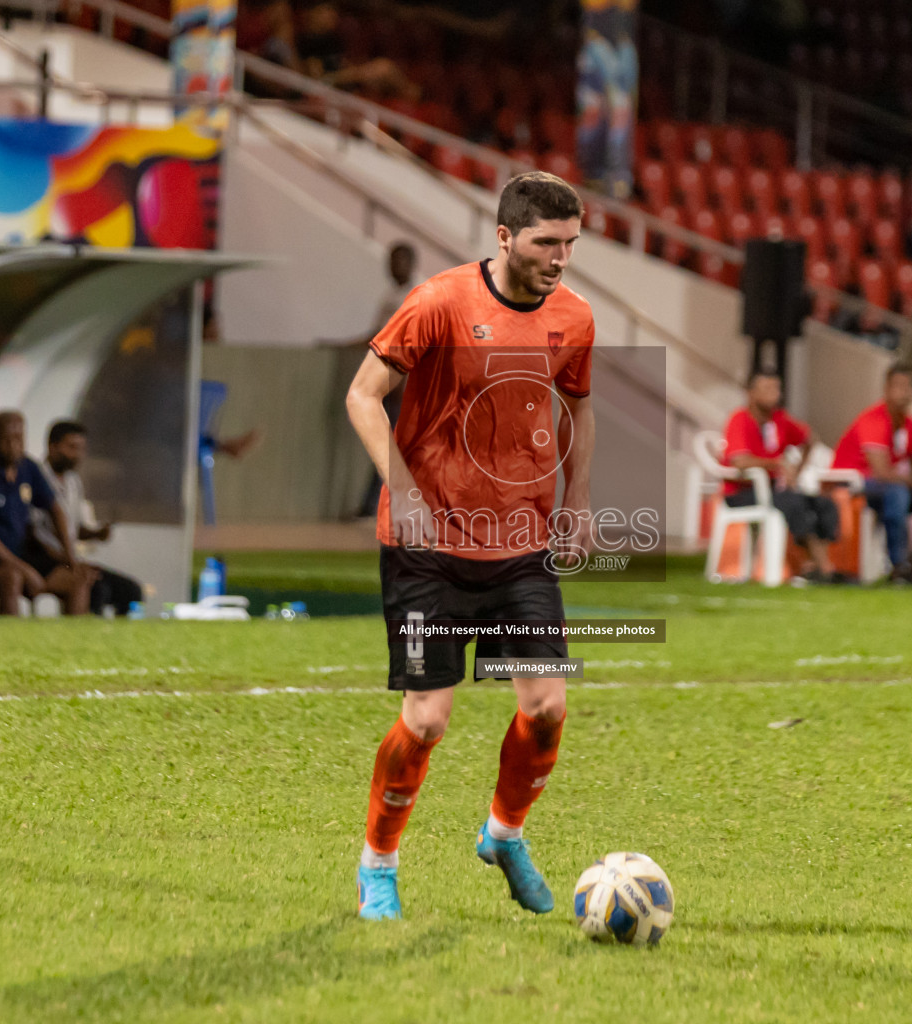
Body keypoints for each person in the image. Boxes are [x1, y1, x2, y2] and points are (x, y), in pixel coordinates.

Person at [344, 171, 595, 921]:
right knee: (426, 721)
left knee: (547, 707)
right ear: (506, 236)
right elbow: (362, 395)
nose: (561, 258)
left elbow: (576, 402)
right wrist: (406, 491)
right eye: (547, 243)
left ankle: (504, 833)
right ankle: (378, 865)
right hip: (429, 546)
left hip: (520, 542)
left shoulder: (575, 318)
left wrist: (576, 502)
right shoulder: (441, 303)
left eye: (571, 244)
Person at [832, 364, 912, 584]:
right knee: (898, 492)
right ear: (886, 389)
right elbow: (881, 473)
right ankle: (898, 566)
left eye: (909, 387)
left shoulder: (911, 425)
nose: (905, 393)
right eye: (899, 387)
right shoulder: (874, 419)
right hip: (852, 484)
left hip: (884, 487)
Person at [722, 371, 846, 583]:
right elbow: (739, 462)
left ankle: (814, 566)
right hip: (741, 492)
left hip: (772, 491)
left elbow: (810, 438)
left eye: (776, 389)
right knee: (794, 503)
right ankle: (825, 570)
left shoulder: (779, 420)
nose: (774, 394)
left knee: (824, 504)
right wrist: (777, 464)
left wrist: (797, 470)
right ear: (750, 393)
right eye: (767, 389)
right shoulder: (740, 419)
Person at [0, 410, 89, 616]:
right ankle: (8, 645)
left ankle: (74, 645)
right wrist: (25, 570)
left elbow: (56, 509)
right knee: (12, 578)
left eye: (18, 439)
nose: (13, 446)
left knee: (77, 579)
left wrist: (69, 556)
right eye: (6, 440)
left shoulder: (28, 467)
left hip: (25, 555)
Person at [30, 421, 144, 616]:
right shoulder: (37, 479)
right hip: (48, 559)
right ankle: (86, 638)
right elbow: (34, 533)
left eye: (82, 448)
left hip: (70, 558)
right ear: (52, 446)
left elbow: (75, 528)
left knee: (131, 590)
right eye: (72, 447)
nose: (78, 455)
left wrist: (97, 533)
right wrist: (69, 561)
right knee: (97, 588)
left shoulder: (73, 481)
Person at [357, 242, 419, 518]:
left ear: (411, 263)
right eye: (391, 260)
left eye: (399, 260)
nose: (393, 267)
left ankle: (375, 507)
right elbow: (378, 337)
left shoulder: (414, 296)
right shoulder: (391, 296)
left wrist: (402, 381)